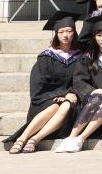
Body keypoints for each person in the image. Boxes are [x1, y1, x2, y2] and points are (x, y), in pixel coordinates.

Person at [7, 11, 81, 154]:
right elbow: (38, 85)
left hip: (70, 101)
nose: (65, 35)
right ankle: (22, 138)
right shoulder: (46, 57)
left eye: (69, 31)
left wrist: (71, 94)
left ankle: (35, 139)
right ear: (56, 34)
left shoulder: (79, 56)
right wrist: (60, 94)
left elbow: (80, 80)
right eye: (61, 32)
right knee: (55, 105)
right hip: (45, 99)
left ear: (74, 33)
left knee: (66, 105)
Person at [56, 15, 102, 153]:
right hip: (91, 101)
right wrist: (93, 91)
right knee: (99, 97)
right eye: (99, 35)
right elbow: (79, 81)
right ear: (94, 37)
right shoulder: (87, 57)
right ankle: (72, 137)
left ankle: (80, 138)